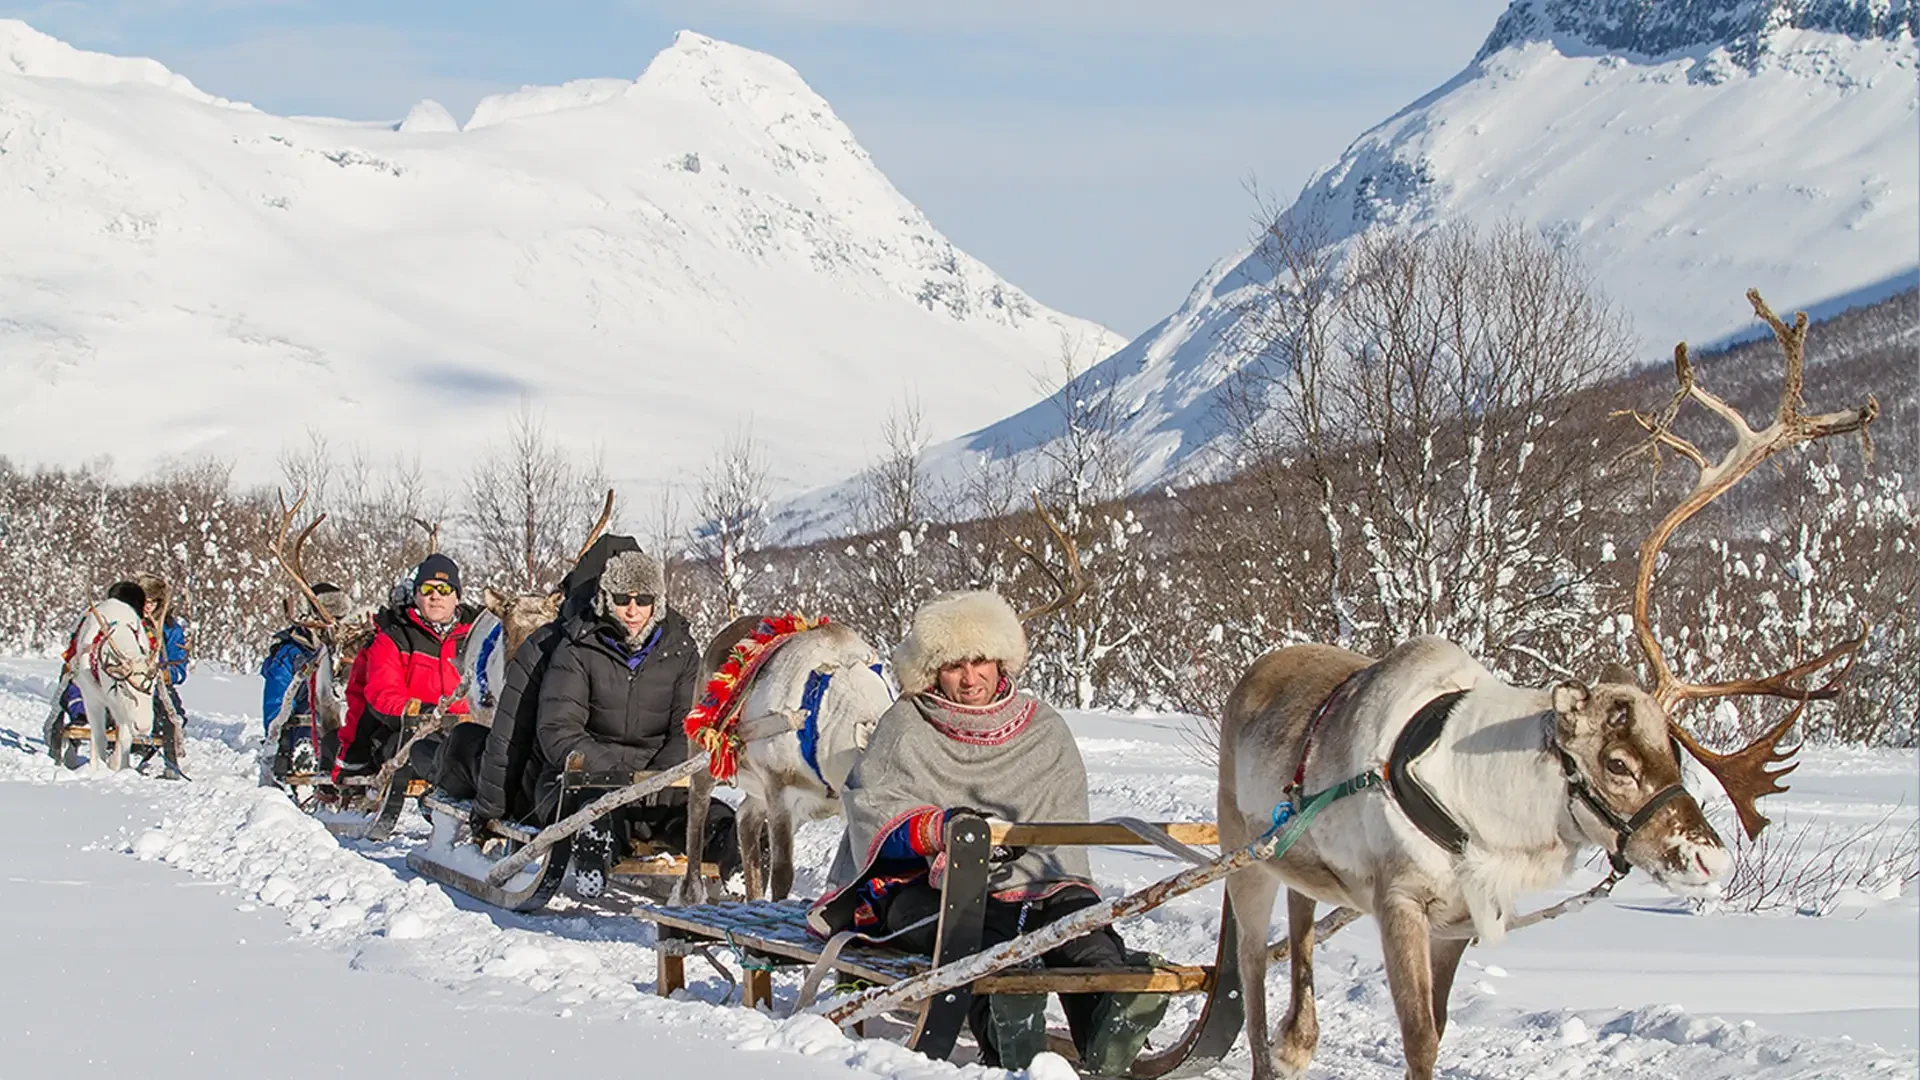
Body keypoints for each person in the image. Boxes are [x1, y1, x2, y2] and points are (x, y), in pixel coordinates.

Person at [807, 590, 1168, 1073]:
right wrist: (939, 830)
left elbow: (1061, 824)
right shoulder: (906, 726)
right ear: (932, 670)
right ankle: (1008, 1035)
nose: (970, 677)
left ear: (1002, 662)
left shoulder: (1043, 727)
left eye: (981, 661)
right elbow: (872, 809)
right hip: (927, 887)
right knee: (981, 941)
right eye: (955, 665)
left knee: (1083, 933)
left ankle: (1111, 1028)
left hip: (1040, 879)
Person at [533, 549, 739, 877]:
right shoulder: (577, 647)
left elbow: (688, 726)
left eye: (643, 599)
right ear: (605, 600)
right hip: (590, 782)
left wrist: (660, 779)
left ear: (656, 603)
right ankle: (594, 860)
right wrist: (615, 777)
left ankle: (739, 867)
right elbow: (559, 727)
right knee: (594, 817)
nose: (632, 610)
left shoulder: (682, 652)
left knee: (719, 822)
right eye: (622, 598)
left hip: (660, 785)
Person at [437, 534, 636, 826]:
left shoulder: (553, 649)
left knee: (459, 744)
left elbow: (510, 738)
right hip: (634, 791)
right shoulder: (671, 651)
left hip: (553, 788)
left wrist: (490, 811)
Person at [333, 554, 477, 784]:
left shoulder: (478, 637)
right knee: (430, 754)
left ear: (457, 596)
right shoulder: (394, 638)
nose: (435, 596)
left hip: (469, 729)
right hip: (410, 734)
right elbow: (382, 691)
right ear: (416, 595)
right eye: (428, 588)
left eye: (444, 589)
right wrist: (420, 712)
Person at [260, 582, 350, 781]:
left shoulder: (347, 650)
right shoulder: (292, 653)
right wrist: (277, 735)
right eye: (328, 610)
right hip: (300, 737)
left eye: (338, 611)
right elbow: (277, 699)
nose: (334, 619)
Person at [48, 580, 147, 750]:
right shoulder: (93, 617)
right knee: (78, 688)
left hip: (122, 674)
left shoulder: (136, 624)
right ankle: (81, 718)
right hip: (88, 669)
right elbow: (76, 647)